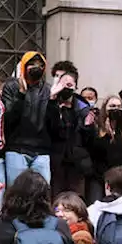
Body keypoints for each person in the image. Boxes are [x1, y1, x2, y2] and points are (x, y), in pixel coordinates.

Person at [0, 51, 55, 185]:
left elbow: (52, 124)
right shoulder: (11, 87)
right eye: (32, 64)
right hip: (17, 148)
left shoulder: (47, 90)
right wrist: (21, 94)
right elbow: (8, 118)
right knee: (17, 190)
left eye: (40, 65)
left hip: (41, 150)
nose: (36, 67)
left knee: (42, 190)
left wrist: (53, 102)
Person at [48, 61, 95, 196]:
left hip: (77, 164)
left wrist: (88, 127)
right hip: (55, 163)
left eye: (69, 85)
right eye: (62, 83)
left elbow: (90, 141)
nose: (65, 87)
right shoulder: (50, 103)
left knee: (75, 202)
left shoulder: (82, 108)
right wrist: (53, 104)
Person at [88, 95, 122, 203]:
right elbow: (93, 151)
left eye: (118, 106)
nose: (115, 109)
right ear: (105, 109)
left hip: (119, 179)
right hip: (99, 178)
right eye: (112, 106)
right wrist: (106, 135)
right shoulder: (95, 128)